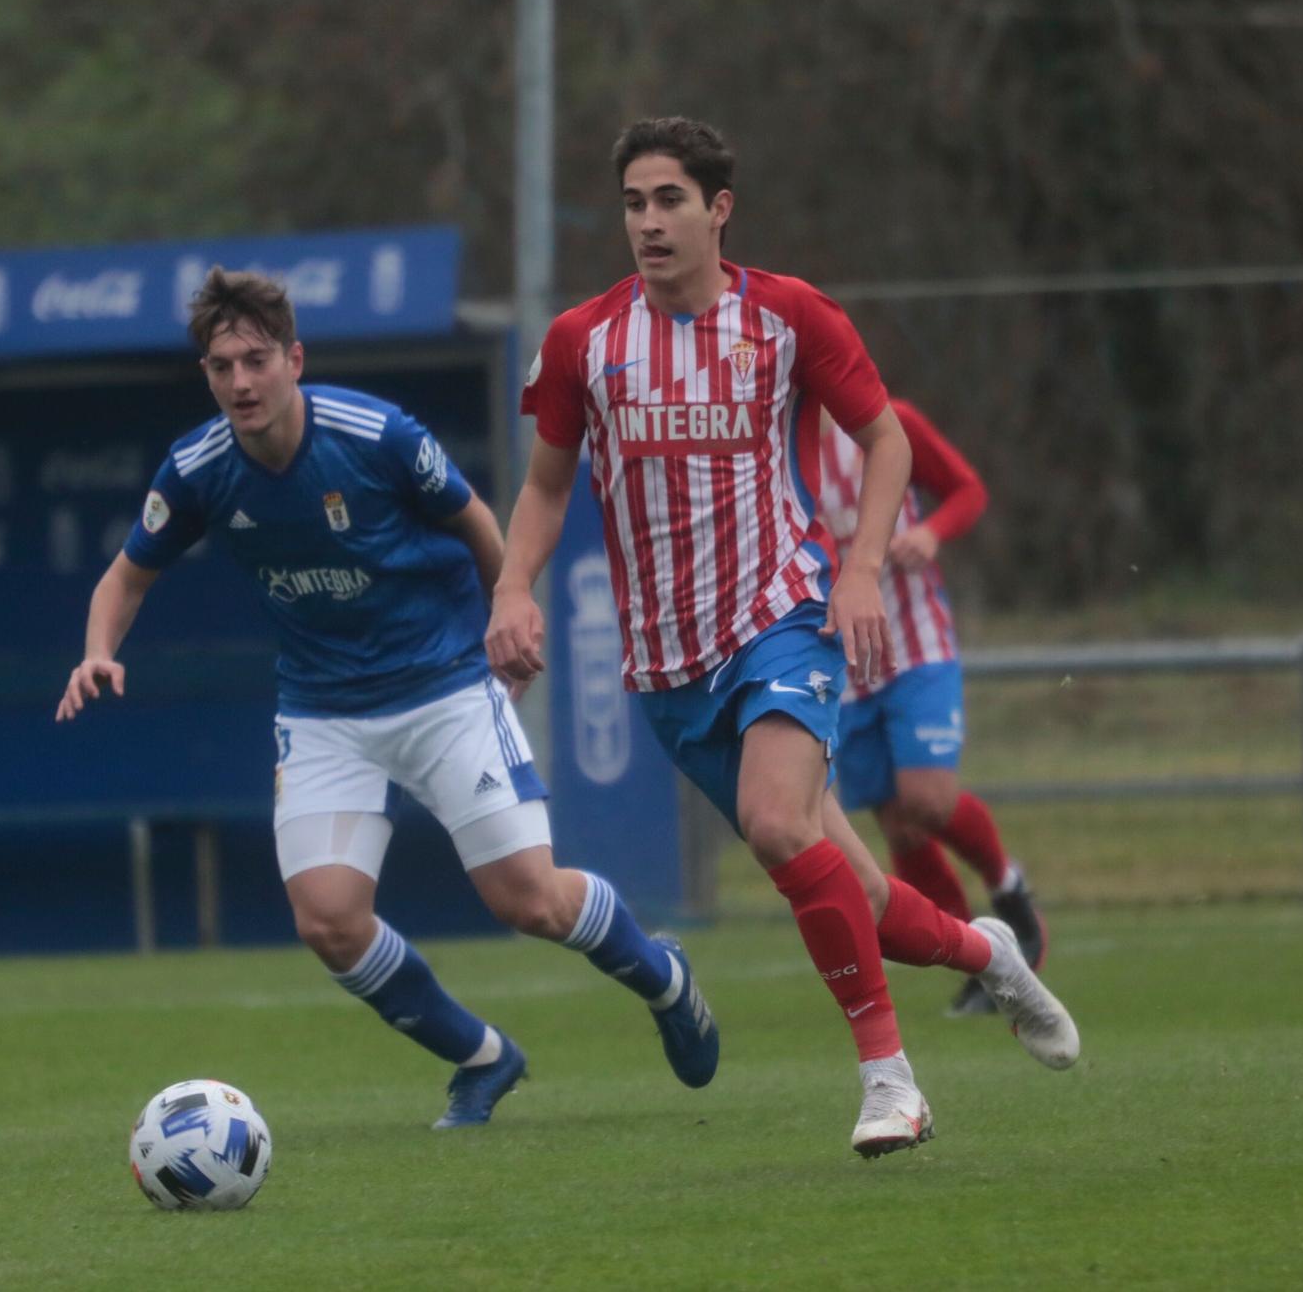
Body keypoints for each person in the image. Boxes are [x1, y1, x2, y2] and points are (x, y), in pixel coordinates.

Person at [487, 116, 1078, 1158]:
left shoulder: (789, 317)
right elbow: (543, 488)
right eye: (632, 202)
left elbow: (885, 440)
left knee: (772, 823)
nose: (648, 222)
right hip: (668, 663)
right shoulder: (585, 341)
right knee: (860, 893)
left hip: (783, 615)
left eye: (669, 199)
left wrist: (855, 571)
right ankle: (986, 953)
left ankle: (888, 1082)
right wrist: (511, 590)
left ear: (718, 210)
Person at [56, 267, 718, 1129]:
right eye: (221, 367)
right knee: (328, 920)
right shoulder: (199, 467)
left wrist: (508, 610)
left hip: (443, 686)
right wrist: (97, 652)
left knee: (529, 900)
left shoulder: (375, 436)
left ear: (295, 358)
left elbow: (477, 520)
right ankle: (483, 1058)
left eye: (256, 360)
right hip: (324, 713)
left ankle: (662, 976)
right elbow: (124, 576)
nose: (240, 383)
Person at [815, 400, 1049, 1016]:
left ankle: (1010, 892)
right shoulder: (768, 443)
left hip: (915, 645)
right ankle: (983, 958)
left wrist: (930, 531)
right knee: (900, 826)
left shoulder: (885, 421)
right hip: (841, 663)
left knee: (927, 798)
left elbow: (967, 490)